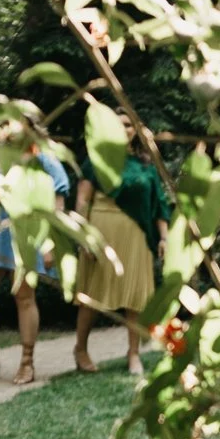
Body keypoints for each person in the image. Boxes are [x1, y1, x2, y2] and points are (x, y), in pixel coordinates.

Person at [74, 131, 169, 376]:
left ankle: (133, 352)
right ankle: (80, 349)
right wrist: (83, 235)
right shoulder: (98, 159)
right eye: (118, 124)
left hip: (138, 233)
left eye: (128, 124)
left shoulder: (146, 163)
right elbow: (83, 200)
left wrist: (164, 238)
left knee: (135, 295)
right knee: (93, 293)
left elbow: (159, 202)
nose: (124, 129)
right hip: (101, 229)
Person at [0, 147, 69, 385]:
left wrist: (51, 243)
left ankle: (27, 362)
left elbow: (57, 205)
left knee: (24, 297)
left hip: (28, 233)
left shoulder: (44, 158)